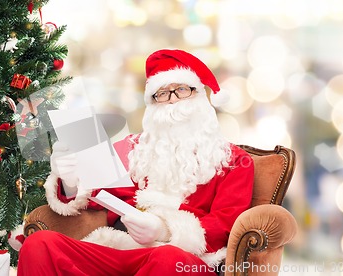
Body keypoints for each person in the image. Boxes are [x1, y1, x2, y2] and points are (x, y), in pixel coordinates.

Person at [17, 49, 254, 275]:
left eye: (182, 89)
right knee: (40, 243)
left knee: (169, 259)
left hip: (184, 259)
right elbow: (97, 194)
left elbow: (225, 224)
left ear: (200, 95)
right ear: (152, 103)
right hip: (121, 249)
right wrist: (71, 180)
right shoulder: (131, 149)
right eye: (161, 93)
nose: (172, 100)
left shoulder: (234, 161)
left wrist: (165, 229)